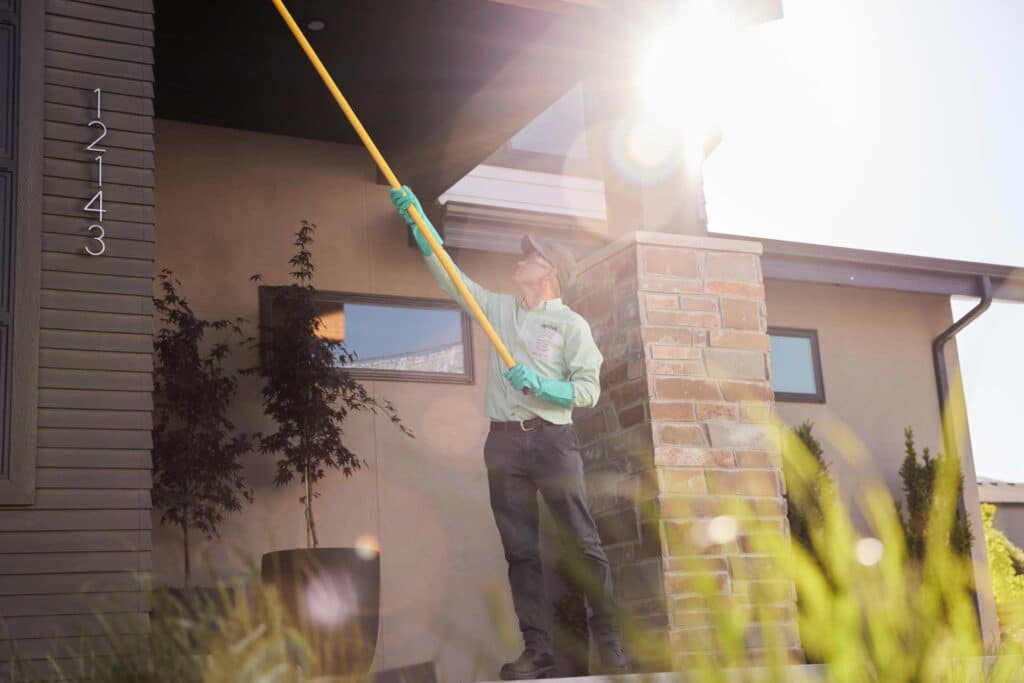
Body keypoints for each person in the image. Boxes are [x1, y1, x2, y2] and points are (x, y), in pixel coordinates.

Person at [390, 186, 629, 679]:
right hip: (502, 443)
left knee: (583, 544)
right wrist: (419, 223)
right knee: (520, 552)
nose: (520, 261)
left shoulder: (571, 327)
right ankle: (537, 653)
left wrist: (543, 385)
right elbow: (452, 279)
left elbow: (586, 392)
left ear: (550, 272)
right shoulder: (499, 310)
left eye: (530, 257)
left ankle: (611, 647)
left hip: (552, 444)